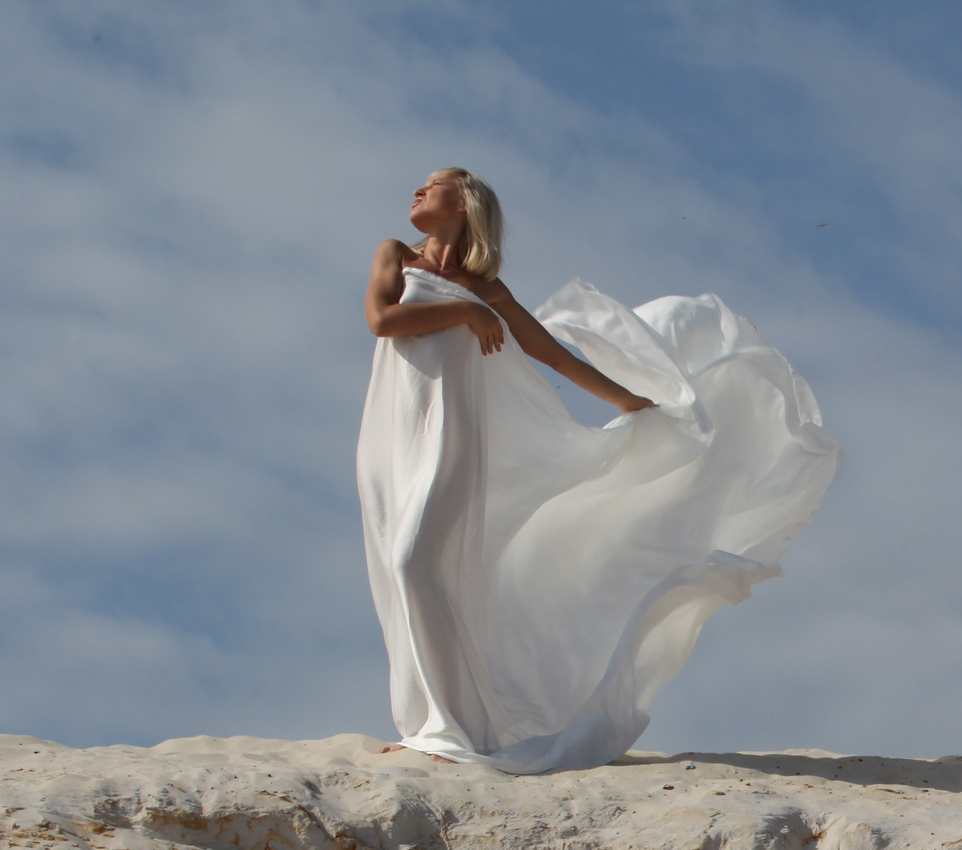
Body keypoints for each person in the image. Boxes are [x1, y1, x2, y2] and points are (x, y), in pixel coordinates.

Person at [357, 168, 839, 773]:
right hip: (392, 433)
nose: (417, 189)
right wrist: (466, 318)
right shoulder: (396, 256)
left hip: (454, 438)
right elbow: (381, 319)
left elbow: (552, 353)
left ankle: (446, 730)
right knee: (399, 568)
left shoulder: (488, 290)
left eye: (435, 182)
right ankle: (440, 724)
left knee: (418, 561)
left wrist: (629, 403)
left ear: (466, 202)